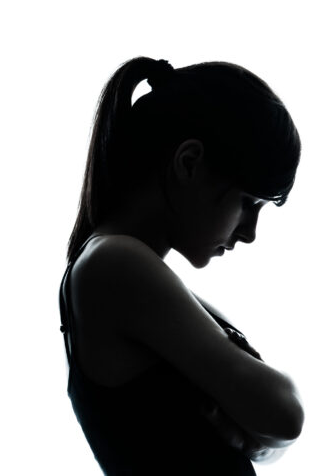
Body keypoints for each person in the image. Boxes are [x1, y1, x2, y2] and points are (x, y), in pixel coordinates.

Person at [59, 57, 304, 474]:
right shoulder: (115, 265)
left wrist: (258, 436)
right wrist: (262, 423)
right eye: (248, 202)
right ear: (189, 163)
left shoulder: (121, 268)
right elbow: (285, 416)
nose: (249, 233)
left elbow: (272, 433)